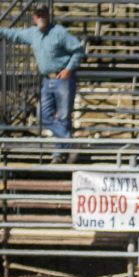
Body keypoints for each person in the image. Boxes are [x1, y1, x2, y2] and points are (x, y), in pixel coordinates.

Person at [0, 3, 84, 164]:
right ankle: (71, 143)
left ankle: (58, 155)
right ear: (34, 17)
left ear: (48, 15)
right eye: (38, 15)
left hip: (63, 80)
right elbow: (13, 34)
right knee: (42, 115)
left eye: (43, 14)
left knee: (64, 117)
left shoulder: (60, 32)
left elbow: (78, 50)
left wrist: (68, 69)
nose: (41, 17)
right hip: (47, 80)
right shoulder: (32, 33)